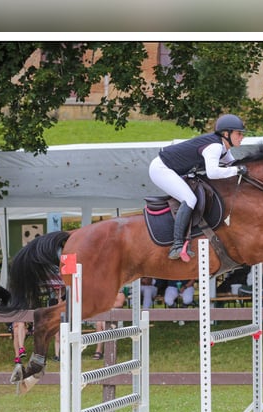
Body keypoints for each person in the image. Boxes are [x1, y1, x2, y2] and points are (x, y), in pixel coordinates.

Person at [149, 113, 247, 261]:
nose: (242, 137)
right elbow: (213, 173)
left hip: (173, 169)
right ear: (226, 134)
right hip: (161, 169)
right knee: (189, 199)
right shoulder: (214, 146)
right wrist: (237, 170)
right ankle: (177, 244)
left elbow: (233, 165)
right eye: (239, 133)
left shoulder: (224, 149)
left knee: (191, 197)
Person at [93, 289, 127, 360]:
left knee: (104, 323)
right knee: (99, 323)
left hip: (116, 319)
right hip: (104, 317)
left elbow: (119, 304)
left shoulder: (119, 292)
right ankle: (99, 349)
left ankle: (108, 349)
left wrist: (105, 305)